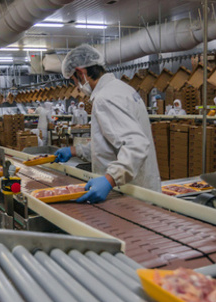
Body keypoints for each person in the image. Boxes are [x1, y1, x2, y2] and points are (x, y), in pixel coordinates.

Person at [54, 44, 161, 203]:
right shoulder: (123, 89)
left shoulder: (105, 98)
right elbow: (110, 145)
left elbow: (136, 144)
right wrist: (76, 150)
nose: (77, 86)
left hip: (130, 196)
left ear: (81, 73)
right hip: (143, 188)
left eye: (74, 81)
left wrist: (110, 179)